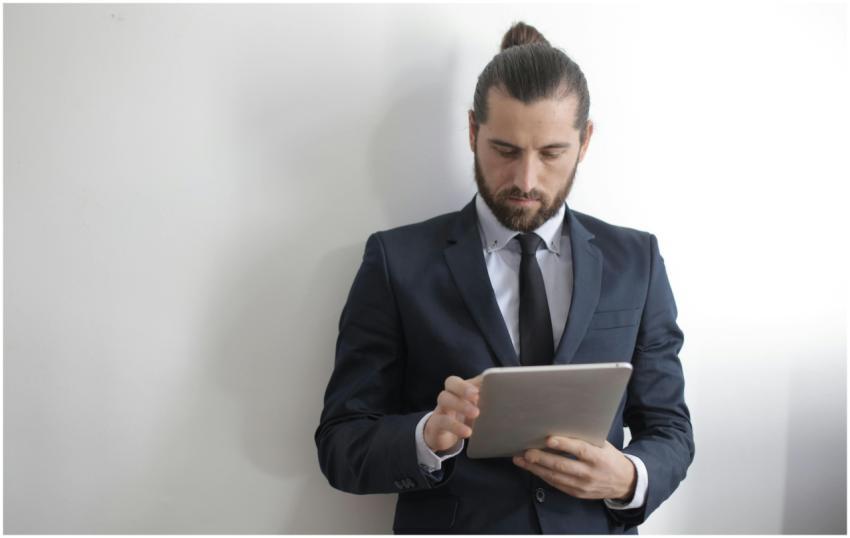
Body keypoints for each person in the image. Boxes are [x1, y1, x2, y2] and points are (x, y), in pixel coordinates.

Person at [315, 21, 694, 534]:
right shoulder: (395, 261)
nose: (525, 180)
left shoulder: (637, 261)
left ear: (585, 142)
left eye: (551, 153)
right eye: (505, 150)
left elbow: (670, 428)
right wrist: (428, 436)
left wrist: (629, 477)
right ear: (473, 132)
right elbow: (341, 442)